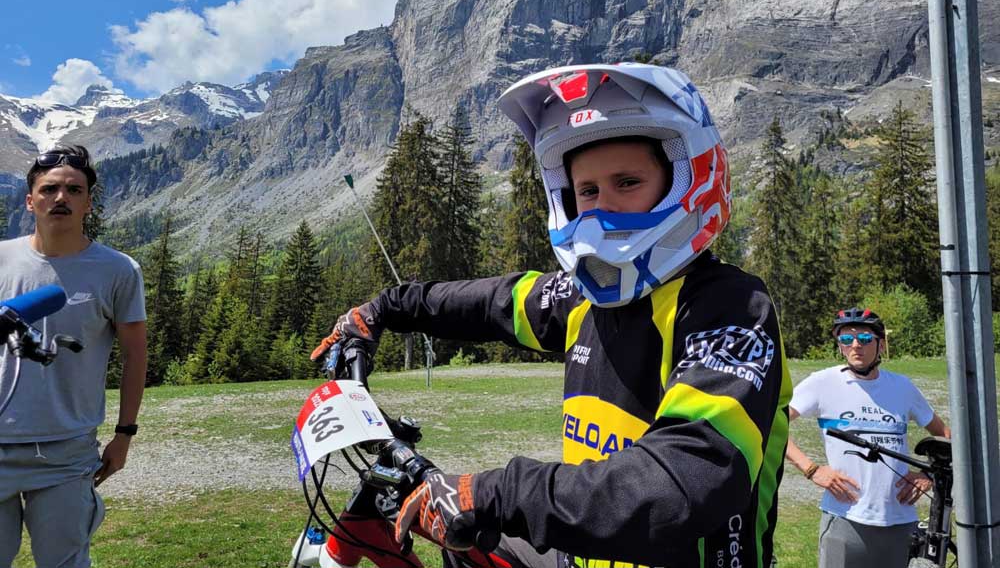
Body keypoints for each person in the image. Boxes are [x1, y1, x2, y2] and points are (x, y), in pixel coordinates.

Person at [312, 63, 791, 568]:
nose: (601, 210)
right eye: (587, 191)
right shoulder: (583, 299)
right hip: (583, 554)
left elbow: (683, 480)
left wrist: (494, 493)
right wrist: (381, 310)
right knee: (467, 551)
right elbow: (490, 303)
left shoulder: (731, 309)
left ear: (687, 179)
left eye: (628, 182)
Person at [0, 144, 148, 568]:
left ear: (88, 202)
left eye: (73, 190)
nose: (60, 197)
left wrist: (124, 434)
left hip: (66, 453)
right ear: (30, 201)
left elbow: (135, 355)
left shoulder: (118, 270)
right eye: (49, 189)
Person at [785, 308, 950, 568]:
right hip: (844, 519)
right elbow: (772, 424)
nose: (855, 345)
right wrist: (811, 469)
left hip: (900, 521)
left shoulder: (902, 387)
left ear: (881, 344)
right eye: (846, 339)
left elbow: (946, 436)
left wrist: (928, 475)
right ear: (840, 346)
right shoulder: (822, 382)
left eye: (864, 338)